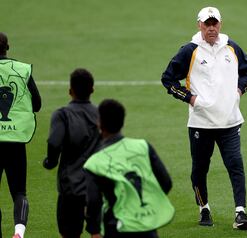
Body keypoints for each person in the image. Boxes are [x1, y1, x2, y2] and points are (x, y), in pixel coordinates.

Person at [161, 6, 247, 230]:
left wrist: (239, 91)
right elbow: (168, 79)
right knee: (200, 169)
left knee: (236, 165)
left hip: (230, 121)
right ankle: (204, 208)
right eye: (207, 24)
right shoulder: (190, 51)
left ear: (220, 25)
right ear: (199, 25)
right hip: (201, 123)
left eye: (215, 23)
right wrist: (190, 99)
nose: (211, 28)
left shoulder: (231, 47)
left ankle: (241, 212)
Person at [84, 99, 175, 238]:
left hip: (115, 227)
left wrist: (94, 230)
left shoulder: (94, 162)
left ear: (99, 123)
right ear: (122, 122)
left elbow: (93, 202)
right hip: (147, 227)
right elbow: (166, 183)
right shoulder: (143, 146)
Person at [43, 68, 99, 238]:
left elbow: (54, 142)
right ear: (92, 90)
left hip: (71, 187)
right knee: (97, 232)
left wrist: (50, 162)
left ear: (70, 91)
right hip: (97, 186)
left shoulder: (63, 115)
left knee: (69, 233)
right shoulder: (101, 115)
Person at [0, 32, 42, 238]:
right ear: (8, 47)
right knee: (19, 192)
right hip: (15, 139)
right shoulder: (22, 69)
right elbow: (37, 104)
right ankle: (19, 232)